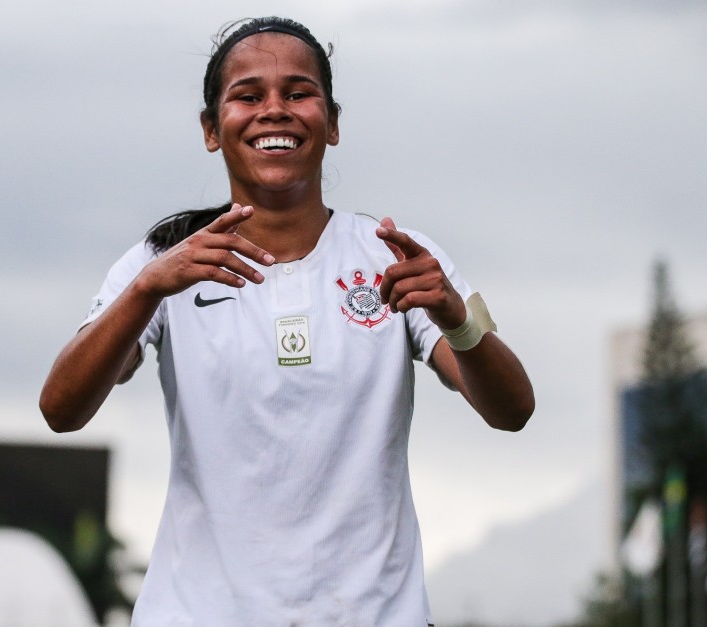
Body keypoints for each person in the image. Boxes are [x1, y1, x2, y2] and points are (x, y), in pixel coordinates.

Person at [40, 16, 534, 626]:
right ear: (210, 129)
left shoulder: (394, 255)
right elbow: (61, 410)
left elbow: (513, 410)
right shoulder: (162, 261)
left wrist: (457, 319)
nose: (274, 110)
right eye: (247, 96)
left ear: (332, 123)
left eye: (298, 93)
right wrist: (146, 289)